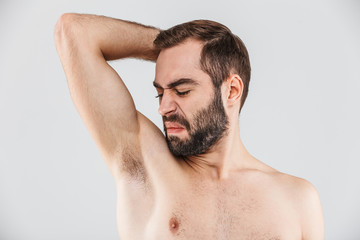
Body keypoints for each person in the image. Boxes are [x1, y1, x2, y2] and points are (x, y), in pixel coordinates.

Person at [54, 13, 324, 239]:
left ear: (231, 91)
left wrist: (212, 51)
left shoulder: (297, 200)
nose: (163, 108)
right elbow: (74, 31)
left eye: (182, 91)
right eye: (160, 93)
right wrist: (172, 48)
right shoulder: (144, 163)